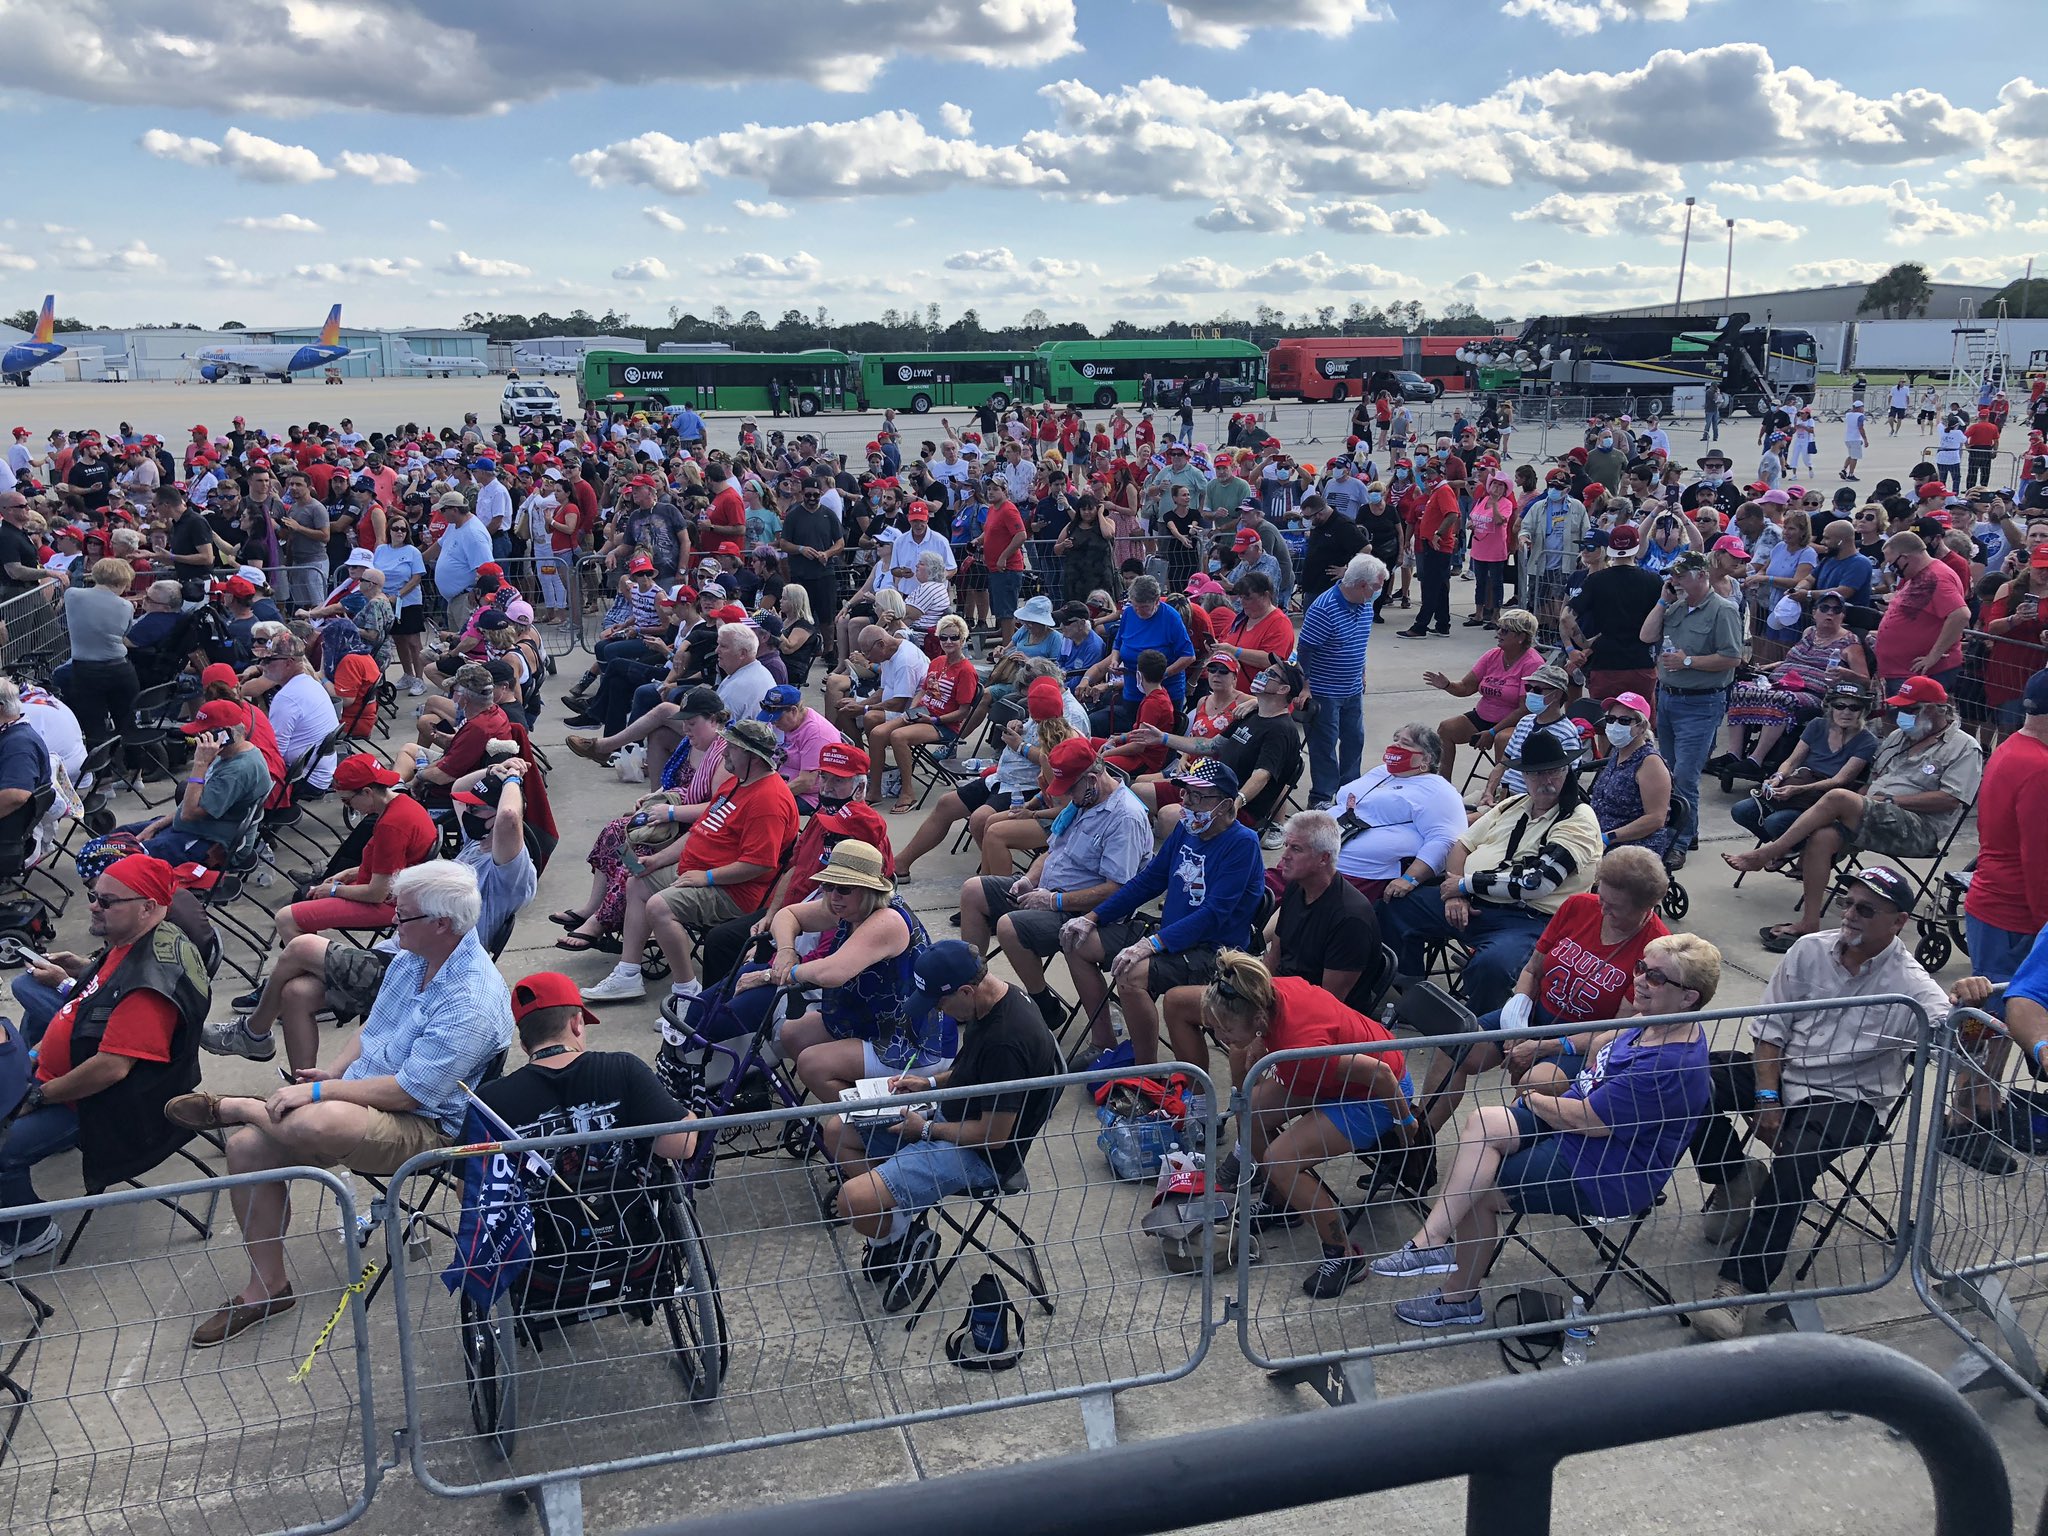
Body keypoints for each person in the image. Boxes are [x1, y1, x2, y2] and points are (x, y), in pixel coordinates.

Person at [167, 861, 514, 1348]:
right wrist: (331, 1074)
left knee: (314, 1117)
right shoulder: (416, 956)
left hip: (427, 1124)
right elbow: (373, 1029)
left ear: (442, 924)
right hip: (369, 1097)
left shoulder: (471, 1001)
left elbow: (410, 1093)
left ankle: (240, 1107)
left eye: (404, 914)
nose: (393, 919)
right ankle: (268, 1288)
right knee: (246, 1149)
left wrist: (320, 1091)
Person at [1371, 932, 1717, 1328]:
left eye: (1655, 977)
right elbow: (1607, 1037)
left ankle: (1458, 1298)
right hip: (1579, 1125)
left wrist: (1533, 1098)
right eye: (1641, 967)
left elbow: (1590, 1122)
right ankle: (1431, 1241)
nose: (1639, 980)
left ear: (1688, 997)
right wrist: (1577, 1055)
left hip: (1605, 1168)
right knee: (1483, 1123)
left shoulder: (1667, 1065)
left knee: (1479, 1189)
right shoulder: (1655, 1018)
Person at [1687, 866, 1949, 1340]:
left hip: (1849, 1099)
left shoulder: (1914, 985)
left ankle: (1738, 1289)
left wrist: (1971, 1004)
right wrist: (1767, 1096)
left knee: (1795, 1161)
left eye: (1866, 909)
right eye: (1847, 903)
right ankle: (1732, 1174)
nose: (1850, 914)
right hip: (1783, 1074)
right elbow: (1769, 1032)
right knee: (1683, 1079)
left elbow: (1956, 1038)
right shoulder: (1809, 950)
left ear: (1899, 922)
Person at [827, 941, 1062, 1315]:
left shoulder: (1007, 1040)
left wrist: (924, 1130)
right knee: (837, 1132)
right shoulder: (993, 1000)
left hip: (980, 1155)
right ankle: (904, 1235)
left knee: (851, 1202)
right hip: (949, 1119)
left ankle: (898, 1232)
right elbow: (973, 1071)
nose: (937, 1010)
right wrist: (929, 1084)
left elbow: (994, 1137)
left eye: (939, 1002)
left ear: (965, 991)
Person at [0, 854, 211, 1266]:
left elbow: (110, 1069)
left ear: (147, 907)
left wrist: (38, 1097)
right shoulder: (137, 938)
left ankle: (30, 1233)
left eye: (106, 901)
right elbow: (103, 995)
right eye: (93, 896)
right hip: (62, 1080)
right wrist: (82, 972)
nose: (94, 906)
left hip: (102, 1107)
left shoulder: (148, 986)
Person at [1197, 951, 1421, 1299]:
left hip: (1374, 1094)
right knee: (1248, 1111)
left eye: (1226, 1029)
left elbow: (1380, 1074)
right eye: (1215, 1027)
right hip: (1331, 1074)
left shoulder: (1302, 1046)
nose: (1220, 1036)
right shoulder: (1263, 991)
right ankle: (1283, 1202)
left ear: (1257, 1017)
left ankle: (1344, 1255)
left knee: (1281, 1160)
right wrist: (1257, 1039)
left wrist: (1405, 1122)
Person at [1416, 846, 1672, 1140]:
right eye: (1601, 897)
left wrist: (1546, 1046)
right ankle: (1419, 1141)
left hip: (1581, 1043)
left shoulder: (1655, 949)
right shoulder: (1578, 906)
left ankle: (1501, 1149)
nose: (1602, 910)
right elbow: (1532, 971)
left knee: (1535, 1082)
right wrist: (1517, 1023)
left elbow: (1617, 1028)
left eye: (1614, 907)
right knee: (1454, 1047)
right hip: (1535, 1014)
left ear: (1645, 908)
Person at [1725, 676, 1981, 951]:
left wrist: (1888, 800)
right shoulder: (1898, 738)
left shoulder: (1963, 747)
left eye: (1911, 709)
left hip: (1919, 828)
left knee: (1838, 796)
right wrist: (1860, 801)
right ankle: (1809, 923)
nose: (1903, 715)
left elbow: (1951, 799)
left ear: (1938, 709)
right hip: (1875, 814)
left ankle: (1769, 852)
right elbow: (1872, 782)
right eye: (1900, 709)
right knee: (1822, 836)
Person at [1377, 730, 1605, 1015]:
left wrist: (1464, 886)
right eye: (1536, 773)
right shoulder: (1513, 804)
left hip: (1528, 920)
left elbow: (1536, 883)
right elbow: (1461, 845)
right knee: (1393, 905)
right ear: (1524, 776)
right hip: (1474, 904)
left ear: (1566, 771)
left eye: (1554, 771)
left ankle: (1475, 1030)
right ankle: (1413, 999)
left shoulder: (1579, 819)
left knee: (1492, 966)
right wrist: (1454, 896)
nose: (1546, 780)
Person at [1060, 758, 1264, 1066]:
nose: (1187, 803)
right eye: (1185, 793)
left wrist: (1151, 944)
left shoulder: (1242, 844)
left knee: (1130, 975)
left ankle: (1145, 1070)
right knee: (1077, 941)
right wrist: (1093, 917)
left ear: (1224, 805)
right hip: (1171, 935)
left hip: (1213, 950)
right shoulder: (1186, 830)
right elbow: (1148, 881)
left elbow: (1213, 914)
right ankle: (1103, 1040)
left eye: (1197, 796)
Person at [739, 838, 954, 1111]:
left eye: (843, 888)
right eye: (828, 886)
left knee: (812, 1064)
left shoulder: (887, 920)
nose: (833, 896)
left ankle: (871, 1122)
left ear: (869, 890)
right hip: (870, 1021)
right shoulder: (850, 907)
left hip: (911, 1039)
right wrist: (785, 951)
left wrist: (772, 975)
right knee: (792, 1033)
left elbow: (832, 972)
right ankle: (859, 1095)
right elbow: (787, 915)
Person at [476, 972, 698, 1226]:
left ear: (524, 1045)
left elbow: (472, 1192)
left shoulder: (490, 1100)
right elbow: (680, 1146)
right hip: (634, 1233)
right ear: (577, 1024)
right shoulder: (624, 1069)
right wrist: (688, 1115)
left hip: (542, 1242)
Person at [960, 739, 1153, 1030]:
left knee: (1009, 926)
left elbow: (1118, 890)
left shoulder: (1125, 817)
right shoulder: (1083, 801)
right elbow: (1051, 852)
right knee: (973, 890)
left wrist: (1054, 901)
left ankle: (1043, 1005)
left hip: (1087, 912)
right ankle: (972, 992)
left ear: (1092, 779)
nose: (1067, 796)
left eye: (1070, 789)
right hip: (1049, 891)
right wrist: (1028, 880)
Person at [622, 720, 802, 1006]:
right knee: (638, 883)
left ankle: (688, 993)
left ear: (754, 757)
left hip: (734, 891)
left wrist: (706, 877)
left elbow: (759, 864)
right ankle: (628, 974)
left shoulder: (769, 800)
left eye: (732, 747)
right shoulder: (736, 782)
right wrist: (656, 860)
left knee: (659, 907)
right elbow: (699, 831)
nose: (724, 752)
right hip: (697, 873)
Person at [272, 753, 438, 944]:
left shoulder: (391, 826)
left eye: (347, 801)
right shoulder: (404, 803)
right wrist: (350, 873)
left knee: (287, 918)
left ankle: (312, 959)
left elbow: (377, 893)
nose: (350, 807)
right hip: (399, 892)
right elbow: (393, 865)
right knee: (305, 896)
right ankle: (307, 956)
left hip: (390, 904)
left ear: (367, 792)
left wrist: (334, 891)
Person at [1641, 549, 1743, 840]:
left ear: (1702, 575)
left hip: (1701, 703)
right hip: (1668, 698)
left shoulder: (1723, 610)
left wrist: (1688, 661)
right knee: (1668, 772)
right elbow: (1646, 636)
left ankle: (1681, 840)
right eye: (1673, 577)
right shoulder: (1675, 607)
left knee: (1685, 776)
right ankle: (1680, 832)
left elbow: (1732, 657)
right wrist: (1663, 601)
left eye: (1682, 576)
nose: (1676, 582)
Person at [1715, 592, 1870, 775]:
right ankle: (1734, 753)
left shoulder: (1850, 643)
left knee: (1782, 699)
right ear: (1814, 613)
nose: (1830, 613)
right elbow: (1797, 660)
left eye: (1837, 610)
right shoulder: (1809, 633)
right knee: (1740, 689)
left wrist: (1845, 673)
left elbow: (1865, 679)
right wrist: (1772, 666)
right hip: (1781, 682)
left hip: (1814, 692)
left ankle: (1756, 759)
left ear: (1842, 615)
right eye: (1825, 608)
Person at [1332, 723, 1470, 902]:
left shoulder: (1438, 790)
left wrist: (1410, 878)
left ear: (1426, 759)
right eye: (1395, 740)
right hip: (1321, 852)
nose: (1395, 745)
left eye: (1405, 743)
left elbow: (1445, 840)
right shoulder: (1382, 772)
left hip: (1361, 871)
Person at [1729, 684, 1880, 847]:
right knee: (1741, 810)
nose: (1846, 712)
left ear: (1863, 711)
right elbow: (1791, 761)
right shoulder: (1817, 725)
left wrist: (1798, 789)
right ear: (1831, 707)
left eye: (1854, 707)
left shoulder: (1867, 741)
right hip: (1800, 784)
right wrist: (1778, 777)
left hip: (1826, 797)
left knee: (1775, 822)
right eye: (1840, 706)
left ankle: (1786, 849)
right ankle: (1786, 848)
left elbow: (1840, 780)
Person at [122, 699, 269, 864]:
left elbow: (188, 813)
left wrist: (200, 763)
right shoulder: (228, 755)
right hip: (196, 829)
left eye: (203, 733)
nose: (198, 737)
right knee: (121, 835)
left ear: (225, 735)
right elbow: (188, 805)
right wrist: (155, 826)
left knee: (123, 855)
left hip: (214, 843)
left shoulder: (237, 771)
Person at [1295, 553, 1385, 806]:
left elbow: (1360, 643)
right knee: (1324, 746)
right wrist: (1305, 686)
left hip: (1352, 688)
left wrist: (1362, 671)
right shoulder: (1325, 608)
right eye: (1377, 586)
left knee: (1354, 740)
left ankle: (1349, 792)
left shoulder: (1365, 603)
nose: (1380, 591)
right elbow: (1305, 649)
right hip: (1324, 691)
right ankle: (1322, 796)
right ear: (1362, 585)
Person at [1424, 607, 1542, 786]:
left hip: (1515, 723)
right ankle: (1443, 787)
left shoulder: (1532, 663)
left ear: (1521, 637)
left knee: (1503, 739)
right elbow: (1465, 687)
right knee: (1446, 728)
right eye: (1499, 628)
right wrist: (1447, 685)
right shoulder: (1492, 655)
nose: (1498, 633)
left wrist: (1493, 732)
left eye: (1505, 630)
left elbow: (1524, 709)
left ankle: (1498, 791)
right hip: (1483, 716)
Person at [1872, 532, 1968, 694]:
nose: (1894, 571)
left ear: (1905, 558)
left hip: (1920, 674)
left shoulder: (1936, 577)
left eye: (1893, 565)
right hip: (1904, 671)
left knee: (1916, 711)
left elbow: (1960, 614)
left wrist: (1933, 656)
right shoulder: (1922, 574)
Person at [1480, 662, 1580, 809]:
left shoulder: (1567, 734)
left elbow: (1563, 783)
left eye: (1537, 690)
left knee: (1465, 819)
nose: (1530, 693)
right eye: (1528, 688)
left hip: (1527, 802)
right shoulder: (1524, 722)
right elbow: (1502, 765)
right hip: (1502, 794)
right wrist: (1488, 792)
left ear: (1557, 694)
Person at [1587, 691, 1674, 855]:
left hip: (1633, 846)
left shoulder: (1650, 762)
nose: (1615, 725)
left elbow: (1656, 818)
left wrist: (1609, 837)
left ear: (1641, 726)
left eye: (1624, 721)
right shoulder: (1618, 753)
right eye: (1610, 719)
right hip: (1599, 837)